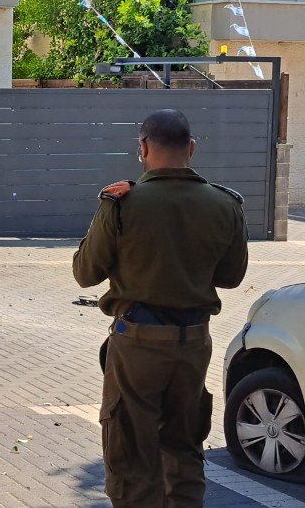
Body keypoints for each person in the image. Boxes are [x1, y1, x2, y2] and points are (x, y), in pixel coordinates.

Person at [72, 109, 248, 508]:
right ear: (191, 148)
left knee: (132, 454)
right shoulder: (225, 205)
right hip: (193, 345)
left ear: (143, 147)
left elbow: (86, 274)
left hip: (137, 345)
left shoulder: (120, 203)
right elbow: (232, 277)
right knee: (185, 449)